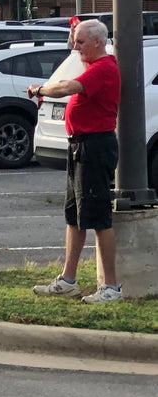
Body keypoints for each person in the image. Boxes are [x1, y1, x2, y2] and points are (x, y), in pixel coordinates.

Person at [30, 19, 122, 302]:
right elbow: (79, 62)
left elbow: (68, 87)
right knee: (75, 216)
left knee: (98, 217)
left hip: (95, 147)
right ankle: (68, 280)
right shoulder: (93, 64)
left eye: (81, 42)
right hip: (79, 146)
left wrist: (41, 89)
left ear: (98, 42)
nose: (75, 46)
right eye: (74, 40)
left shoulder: (104, 68)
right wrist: (76, 29)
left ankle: (111, 287)